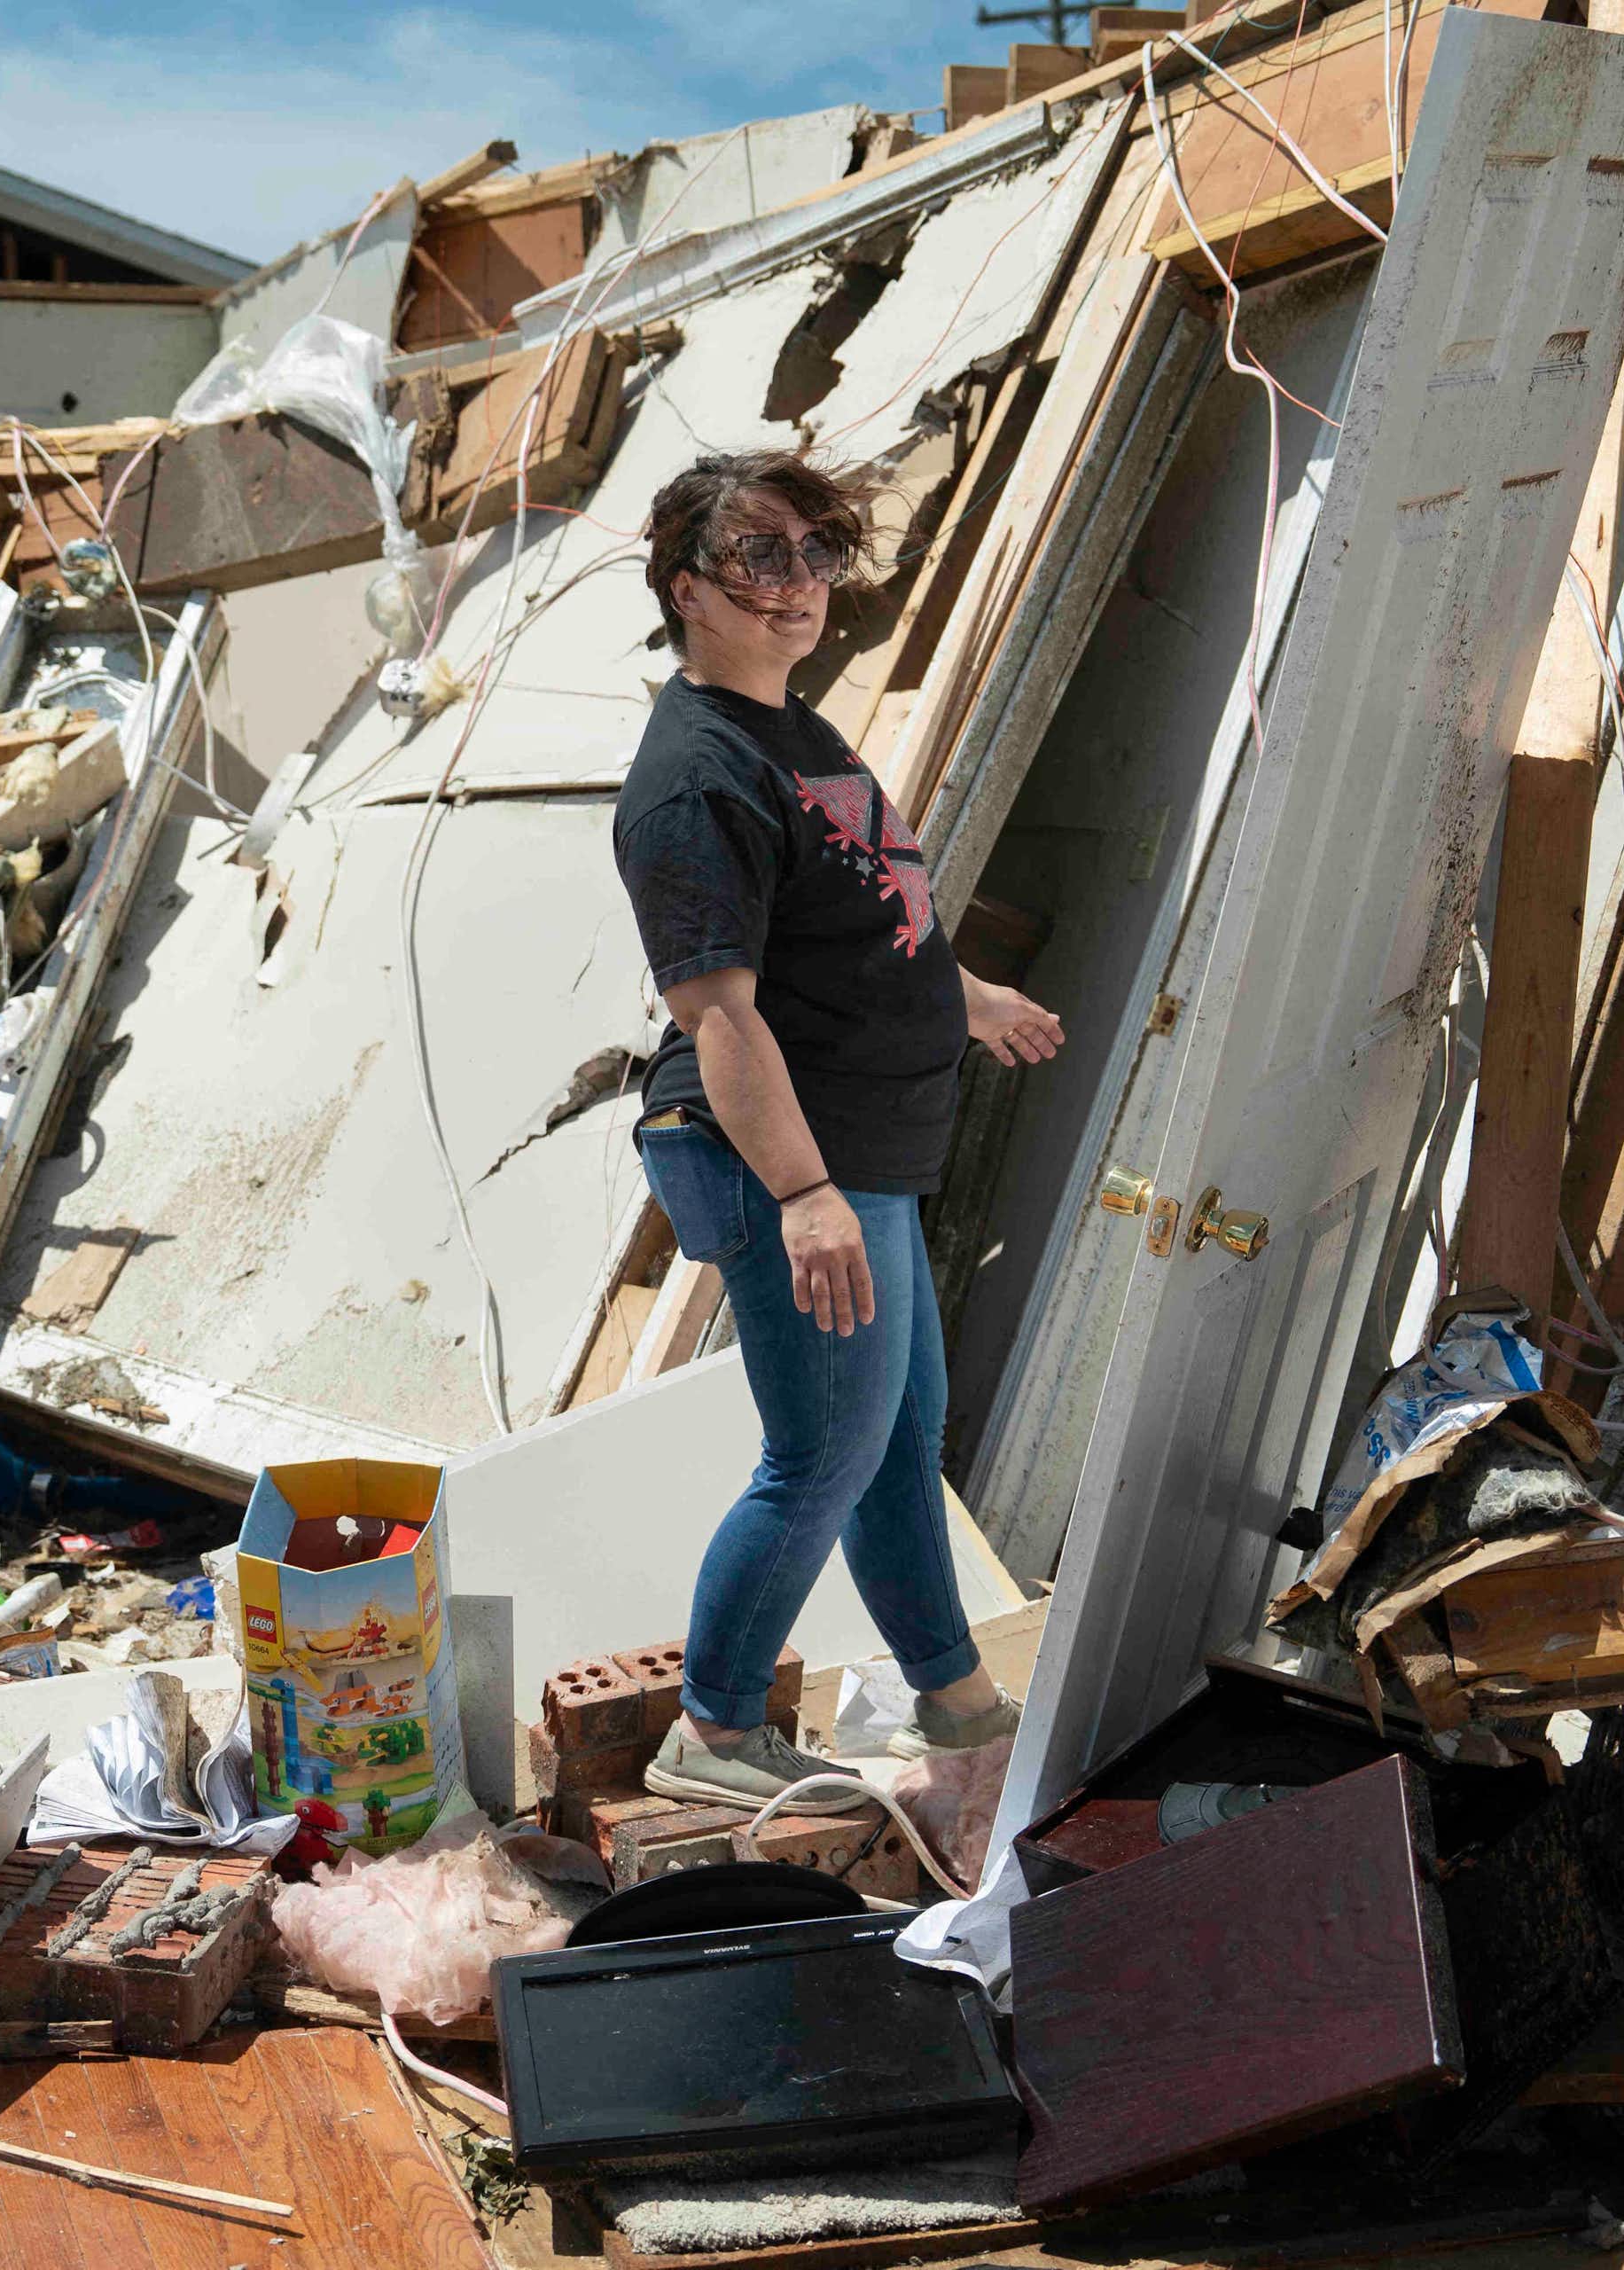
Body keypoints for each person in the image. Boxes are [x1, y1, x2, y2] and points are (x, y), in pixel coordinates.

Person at [613, 448, 1065, 1815]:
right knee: (819, 1455)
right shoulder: (694, 779)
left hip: (868, 1155)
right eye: (758, 557)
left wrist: (965, 994)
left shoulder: (793, 733)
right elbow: (723, 1017)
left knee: (894, 1436)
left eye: (813, 554)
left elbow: (849, 925)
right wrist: (804, 1194)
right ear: (687, 588)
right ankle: (716, 1729)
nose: (797, 584)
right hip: (790, 1159)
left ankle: (952, 1694)